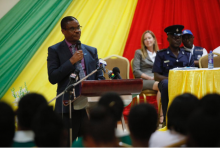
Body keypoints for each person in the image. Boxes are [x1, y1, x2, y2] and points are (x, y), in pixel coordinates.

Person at [47, 16, 105, 142]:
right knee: (68, 143)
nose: (77, 31)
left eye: (78, 27)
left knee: (90, 142)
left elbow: (99, 76)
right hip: (68, 105)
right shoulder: (54, 50)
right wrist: (71, 61)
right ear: (63, 31)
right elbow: (52, 77)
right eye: (72, 28)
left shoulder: (91, 51)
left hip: (89, 106)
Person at [152, 25, 194, 122]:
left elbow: (192, 72)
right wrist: (172, 80)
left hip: (185, 81)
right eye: (174, 37)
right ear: (168, 38)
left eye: (179, 37)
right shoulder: (161, 54)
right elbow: (156, 76)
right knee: (166, 85)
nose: (177, 39)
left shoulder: (188, 55)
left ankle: (190, 118)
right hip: (167, 81)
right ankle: (167, 118)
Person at [132, 30, 163, 122]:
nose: (147, 40)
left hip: (157, 79)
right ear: (143, 42)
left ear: (154, 39)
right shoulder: (139, 52)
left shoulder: (160, 53)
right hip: (143, 80)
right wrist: (150, 78)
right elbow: (136, 71)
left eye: (149, 38)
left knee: (167, 84)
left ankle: (166, 114)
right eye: (145, 39)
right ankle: (160, 116)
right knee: (162, 85)